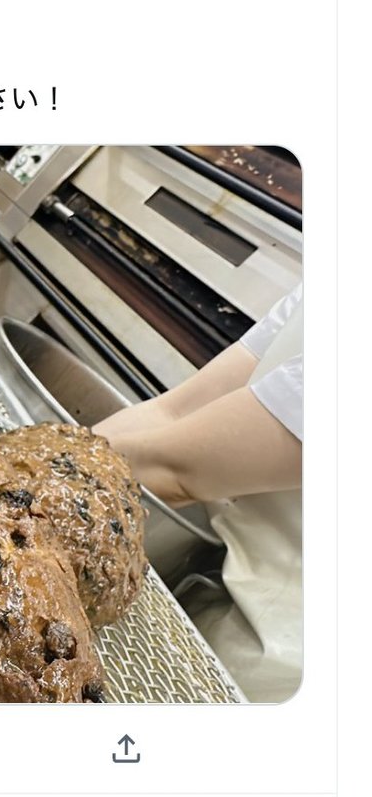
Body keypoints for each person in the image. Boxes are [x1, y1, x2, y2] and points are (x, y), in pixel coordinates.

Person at [94, 284, 302, 702]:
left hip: (269, 659)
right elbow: (172, 410)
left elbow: (177, 471)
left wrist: (38, 463)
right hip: (217, 585)